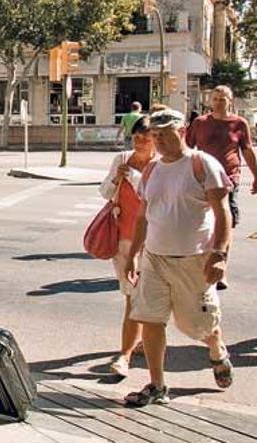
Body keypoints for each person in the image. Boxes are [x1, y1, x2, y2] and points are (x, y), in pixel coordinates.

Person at [123, 109, 234, 407]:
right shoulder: (152, 170)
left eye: (165, 135)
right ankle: (157, 385)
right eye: (154, 136)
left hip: (193, 259)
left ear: (182, 131)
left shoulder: (202, 164)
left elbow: (223, 212)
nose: (158, 141)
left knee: (196, 326)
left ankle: (216, 348)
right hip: (155, 258)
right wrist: (134, 253)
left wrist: (220, 254)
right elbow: (144, 216)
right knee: (150, 319)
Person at [185, 85, 257, 289]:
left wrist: (256, 175)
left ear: (230, 100)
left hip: (228, 179)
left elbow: (247, 150)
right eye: (215, 98)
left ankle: (221, 266)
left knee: (226, 220)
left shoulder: (239, 123)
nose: (218, 102)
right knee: (200, 220)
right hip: (201, 179)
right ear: (210, 101)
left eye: (223, 98)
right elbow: (187, 149)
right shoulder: (199, 123)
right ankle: (198, 263)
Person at [99, 116, 155, 378]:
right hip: (123, 238)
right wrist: (115, 180)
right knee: (132, 296)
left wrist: (132, 176)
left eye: (146, 137)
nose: (140, 142)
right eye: (136, 137)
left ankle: (127, 352)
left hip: (154, 240)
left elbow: (151, 195)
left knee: (146, 297)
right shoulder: (121, 159)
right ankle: (127, 352)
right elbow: (105, 192)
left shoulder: (161, 164)